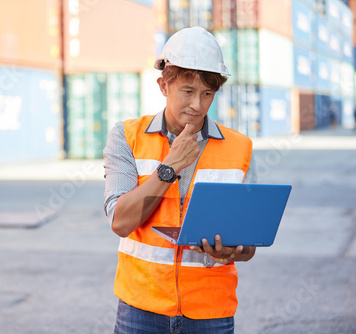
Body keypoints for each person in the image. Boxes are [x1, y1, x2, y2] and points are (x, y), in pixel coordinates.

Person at [103, 26, 258, 334]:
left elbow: (249, 246)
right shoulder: (127, 137)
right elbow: (121, 222)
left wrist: (231, 251)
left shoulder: (240, 147)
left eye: (207, 94)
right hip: (141, 308)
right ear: (164, 85)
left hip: (210, 311)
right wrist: (169, 167)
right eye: (187, 91)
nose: (197, 106)